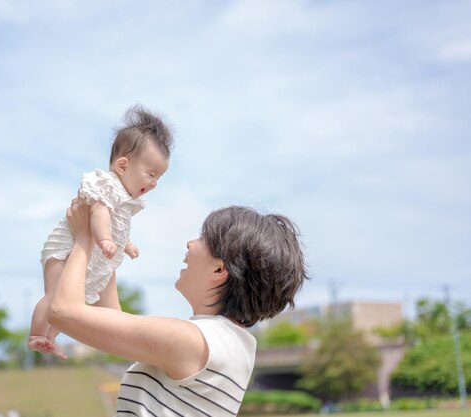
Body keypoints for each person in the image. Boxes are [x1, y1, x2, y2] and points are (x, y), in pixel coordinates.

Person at [49, 201, 307, 416]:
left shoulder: (194, 341)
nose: (190, 243)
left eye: (202, 238)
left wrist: (84, 236)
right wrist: (107, 248)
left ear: (219, 270)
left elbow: (63, 312)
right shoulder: (229, 343)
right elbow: (114, 324)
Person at [28, 106, 173, 359]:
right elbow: (100, 213)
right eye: (151, 174)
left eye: (158, 178)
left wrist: (124, 243)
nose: (153, 183)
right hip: (64, 250)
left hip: (90, 254)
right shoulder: (106, 184)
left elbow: (118, 225)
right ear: (123, 164)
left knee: (71, 301)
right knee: (55, 296)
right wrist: (104, 239)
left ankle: (49, 337)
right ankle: (37, 335)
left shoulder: (125, 199)